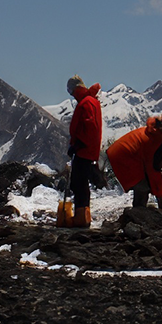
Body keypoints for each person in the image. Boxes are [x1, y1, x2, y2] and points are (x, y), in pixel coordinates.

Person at [106, 114, 162, 209]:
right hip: (125, 158)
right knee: (143, 187)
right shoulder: (157, 142)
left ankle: (138, 210)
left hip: (115, 153)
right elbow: (152, 170)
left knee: (142, 182)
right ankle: (139, 212)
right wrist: (160, 197)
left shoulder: (150, 131)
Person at [66, 75, 102, 228]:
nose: (72, 95)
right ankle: (83, 215)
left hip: (84, 151)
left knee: (79, 184)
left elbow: (90, 127)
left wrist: (78, 145)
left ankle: (81, 218)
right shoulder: (91, 101)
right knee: (81, 184)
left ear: (75, 89)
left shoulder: (86, 103)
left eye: (70, 91)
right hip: (88, 150)